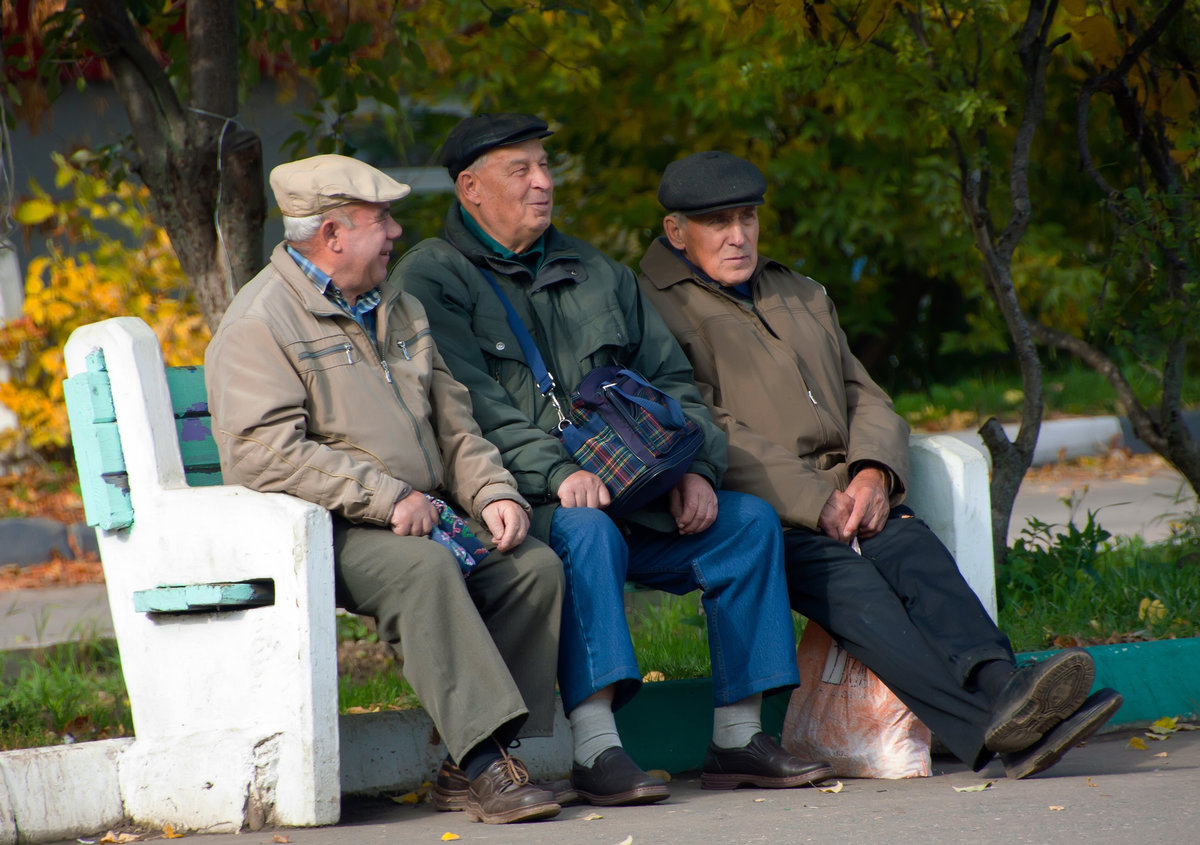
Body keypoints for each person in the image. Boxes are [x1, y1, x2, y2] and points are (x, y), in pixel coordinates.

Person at [636, 150, 1124, 780]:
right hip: (766, 515)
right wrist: (817, 501)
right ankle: (993, 733)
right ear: (677, 232)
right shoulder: (650, 309)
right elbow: (707, 425)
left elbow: (865, 393)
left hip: (853, 490)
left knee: (915, 552)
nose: (739, 235)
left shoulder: (798, 290)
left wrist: (872, 473)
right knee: (861, 594)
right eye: (718, 222)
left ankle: (1009, 687)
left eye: (748, 217)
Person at [395, 114, 834, 806]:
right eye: (522, 170)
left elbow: (674, 381)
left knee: (748, 522)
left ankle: (738, 736)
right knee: (585, 531)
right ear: (470, 187)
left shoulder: (596, 269)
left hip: (636, 490)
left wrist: (696, 468)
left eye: (545, 166)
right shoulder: (433, 276)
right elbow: (468, 407)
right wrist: (557, 473)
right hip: (523, 505)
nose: (543, 183)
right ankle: (598, 746)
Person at [205, 154, 569, 825]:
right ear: (334, 234)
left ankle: (471, 762)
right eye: (382, 221)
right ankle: (492, 767)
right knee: (424, 568)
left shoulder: (396, 307)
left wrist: (492, 491)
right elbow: (263, 452)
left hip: (425, 510)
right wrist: (384, 495)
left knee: (534, 567)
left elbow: (453, 418)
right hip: (333, 526)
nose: (398, 232)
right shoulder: (262, 321)